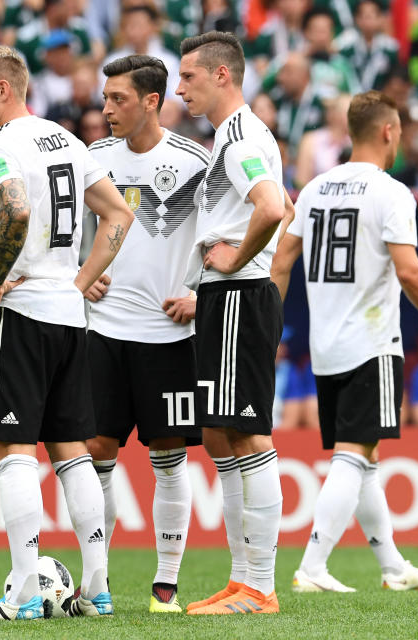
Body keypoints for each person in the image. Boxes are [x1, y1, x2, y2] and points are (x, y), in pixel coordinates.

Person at [0, 44, 133, 621]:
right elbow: (119, 215)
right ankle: (98, 589)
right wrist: (79, 281)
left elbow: (16, 209)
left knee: (13, 448)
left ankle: (26, 595)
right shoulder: (67, 139)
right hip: (67, 310)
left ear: (4, 89)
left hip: (26, 308)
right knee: (71, 450)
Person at [271, 90, 418, 594]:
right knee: (353, 456)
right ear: (388, 132)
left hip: (326, 346)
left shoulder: (312, 189)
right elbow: (410, 270)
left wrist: (268, 330)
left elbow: (281, 263)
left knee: (365, 458)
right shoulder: (391, 192)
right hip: (373, 342)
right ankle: (312, 566)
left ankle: (393, 566)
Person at [83, 54, 208, 614]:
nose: (107, 109)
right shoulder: (92, 160)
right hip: (103, 331)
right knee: (95, 452)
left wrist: (200, 294)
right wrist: (77, 277)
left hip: (169, 335)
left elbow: (231, 236)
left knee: (169, 457)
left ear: (152, 101)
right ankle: (97, 583)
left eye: (119, 99)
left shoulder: (196, 163)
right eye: (106, 98)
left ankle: (166, 584)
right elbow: (60, 232)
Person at [176, 31, 290, 616]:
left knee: (247, 434)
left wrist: (238, 260)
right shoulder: (237, 134)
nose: (180, 88)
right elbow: (282, 206)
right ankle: (243, 576)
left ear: (222, 75)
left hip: (240, 294)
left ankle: (261, 588)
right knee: (222, 434)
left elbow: (272, 206)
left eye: (189, 77)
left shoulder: (241, 134)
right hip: (227, 296)